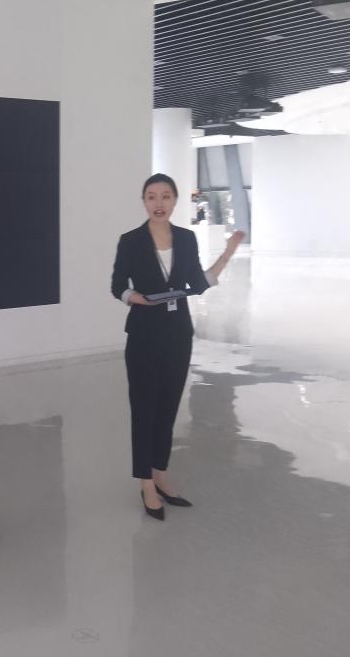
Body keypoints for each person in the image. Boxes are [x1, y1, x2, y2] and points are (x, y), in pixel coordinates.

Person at [110, 173, 244, 521]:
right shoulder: (130, 241)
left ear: (175, 201)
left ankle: (161, 473)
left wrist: (228, 253)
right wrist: (135, 297)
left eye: (166, 196)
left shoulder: (186, 238)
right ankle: (146, 483)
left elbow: (196, 283)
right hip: (143, 333)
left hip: (177, 333)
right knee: (144, 409)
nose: (159, 203)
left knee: (168, 406)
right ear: (144, 201)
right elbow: (117, 285)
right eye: (152, 196)